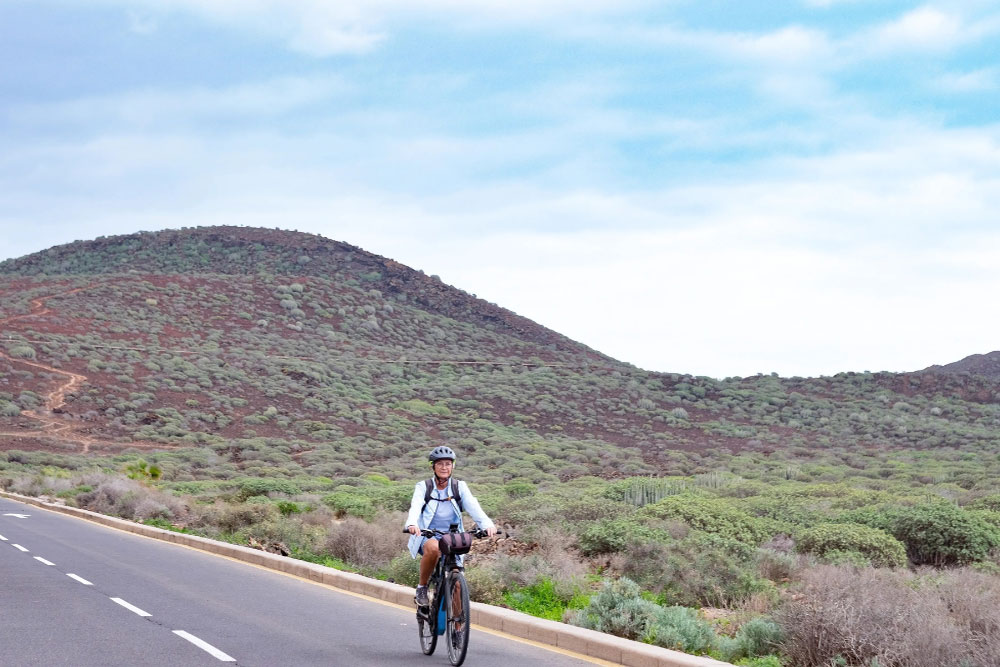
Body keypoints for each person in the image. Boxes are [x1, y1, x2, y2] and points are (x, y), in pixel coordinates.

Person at [405, 446, 496, 607]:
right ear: (433, 466)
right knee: (433, 548)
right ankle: (422, 587)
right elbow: (416, 506)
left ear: (453, 466)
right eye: (440, 464)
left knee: (458, 582)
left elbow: (473, 506)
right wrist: (412, 523)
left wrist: (487, 524)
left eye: (448, 464)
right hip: (428, 534)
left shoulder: (459, 486)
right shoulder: (424, 486)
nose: (444, 467)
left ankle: (459, 628)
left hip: (452, 537)